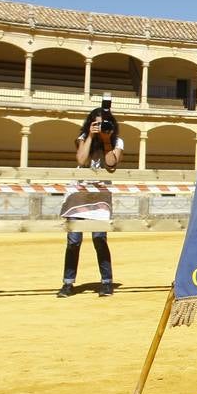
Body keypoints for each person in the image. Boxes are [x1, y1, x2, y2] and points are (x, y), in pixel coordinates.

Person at [57, 106, 124, 298]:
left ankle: (106, 282)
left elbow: (111, 165)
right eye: (96, 123)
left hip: (100, 196)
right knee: (73, 241)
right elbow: (81, 159)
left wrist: (105, 141)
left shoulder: (116, 141)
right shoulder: (83, 137)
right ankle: (68, 283)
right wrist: (90, 136)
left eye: (103, 122)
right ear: (90, 123)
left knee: (99, 238)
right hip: (79, 194)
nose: (100, 126)